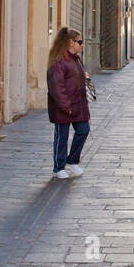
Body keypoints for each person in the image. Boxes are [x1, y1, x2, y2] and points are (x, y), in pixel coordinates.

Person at [47, 27, 91, 180]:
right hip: (64, 107)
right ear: (71, 42)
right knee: (62, 137)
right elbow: (56, 87)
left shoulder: (75, 59)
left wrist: (83, 77)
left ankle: (72, 160)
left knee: (83, 129)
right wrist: (66, 106)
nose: (81, 45)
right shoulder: (59, 61)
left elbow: (73, 78)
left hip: (78, 105)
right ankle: (58, 167)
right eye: (79, 42)